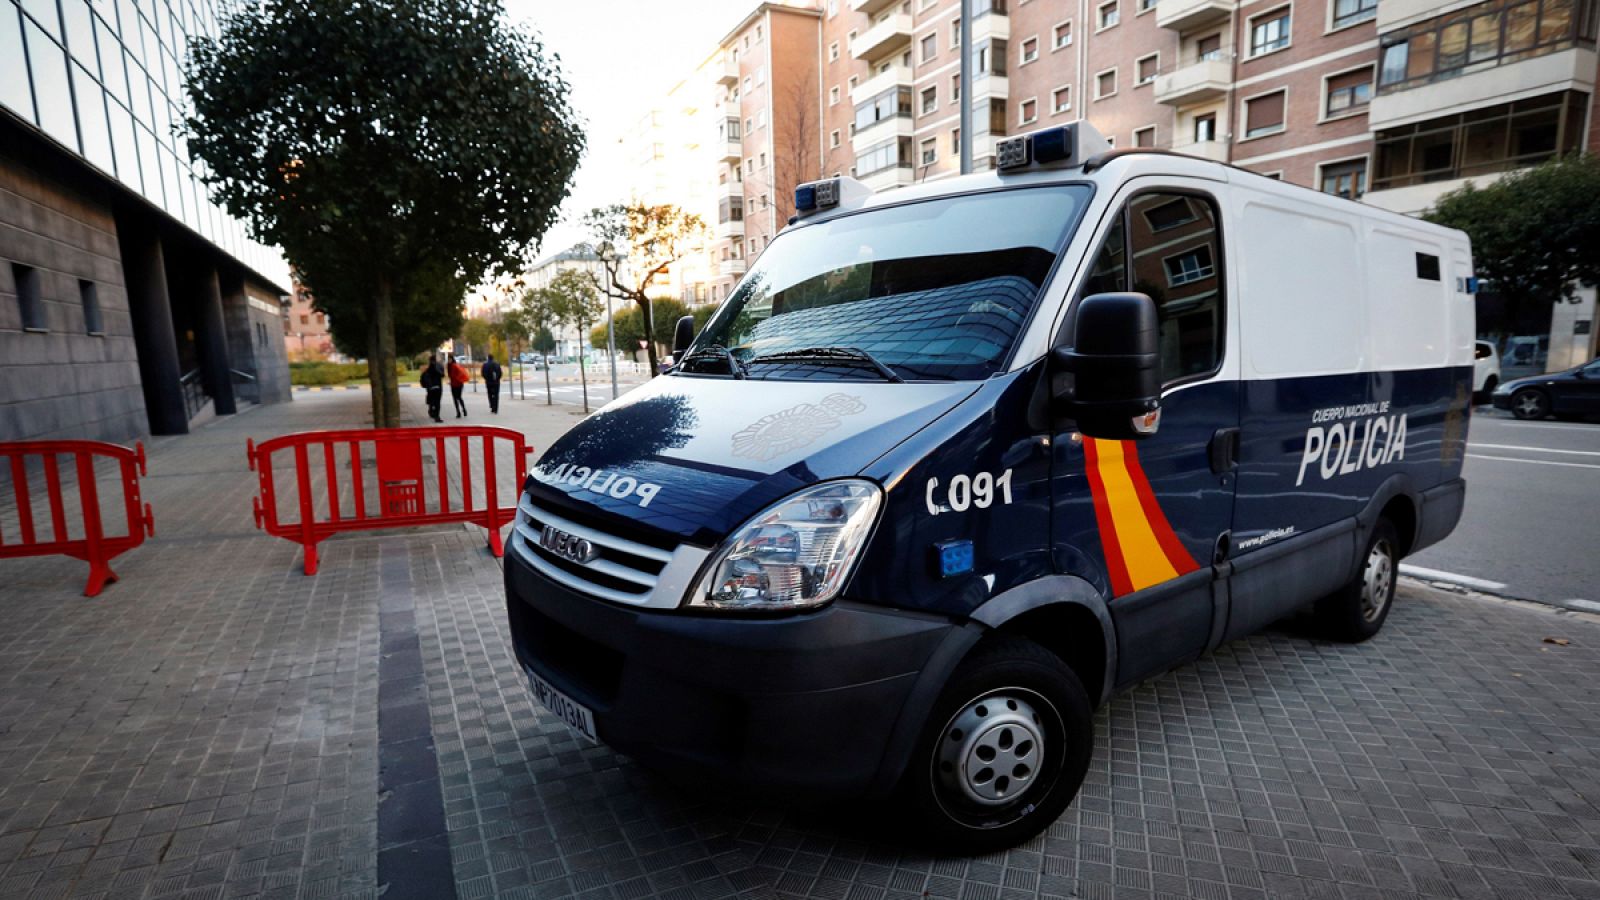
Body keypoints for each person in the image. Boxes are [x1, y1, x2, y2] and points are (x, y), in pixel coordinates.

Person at [420, 353, 444, 423]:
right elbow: (442, 375)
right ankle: (436, 416)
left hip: (431, 388)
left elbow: (424, 378)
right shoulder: (437, 367)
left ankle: (433, 412)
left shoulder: (428, 369)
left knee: (433, 401)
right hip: (437, 387)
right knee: (437, 402)